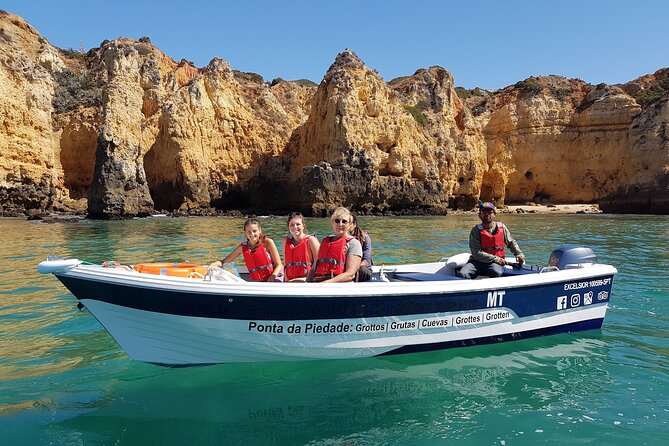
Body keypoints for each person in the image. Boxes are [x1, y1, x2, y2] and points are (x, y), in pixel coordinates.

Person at [459, 202, 525, 279]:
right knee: (463, 273)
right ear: (479, 215)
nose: (487, 214)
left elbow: (510, 242)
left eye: (490, 212)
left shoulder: (502, 227)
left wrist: (519, 254)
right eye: (484, 212)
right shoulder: (475, 231)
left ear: (494, 214)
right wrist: (497, 259)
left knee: (496, 272)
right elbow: (476, 253)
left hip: (494, 263)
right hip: (477, 262)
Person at [210, 217, 284, 282]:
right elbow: (225, 261)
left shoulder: (268, 242)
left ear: (259, 230)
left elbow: (279, 264)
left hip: (275, 278)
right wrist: (215, 264)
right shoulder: (242, 248)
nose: (252, 234)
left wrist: (272, 277)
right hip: (260, 281)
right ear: (245, 232)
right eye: (249, 232)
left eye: (254, 231)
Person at [307, 207, 362, 283]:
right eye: (337, 221)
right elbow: (314, 267)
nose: (340, 224)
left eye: (344, 221)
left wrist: (326, 283)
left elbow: (350, 274)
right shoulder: (326, 242)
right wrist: (308, 284)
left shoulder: (353, 243)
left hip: (339, 286)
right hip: (319, 284)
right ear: (332, 223)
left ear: (349, 225)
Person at [282, 212, 320, 282]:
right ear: (289, 227)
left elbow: (318, 263)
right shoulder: (285, 242)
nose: (295, 227)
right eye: (292, 225)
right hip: (290, 282)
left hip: (307, 281)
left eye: (298, 224)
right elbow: (286, 264)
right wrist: (286, 282)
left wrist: (308, 279)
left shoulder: (311, 240)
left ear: (303, 226)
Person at [350, 213, 373, 282]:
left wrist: (353, 268)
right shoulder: (342, 238)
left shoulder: (364, 238)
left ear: (354, 224)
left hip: (362, 268)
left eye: (348, 222)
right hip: (348, 266)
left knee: (362, 269)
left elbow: (367, 260)